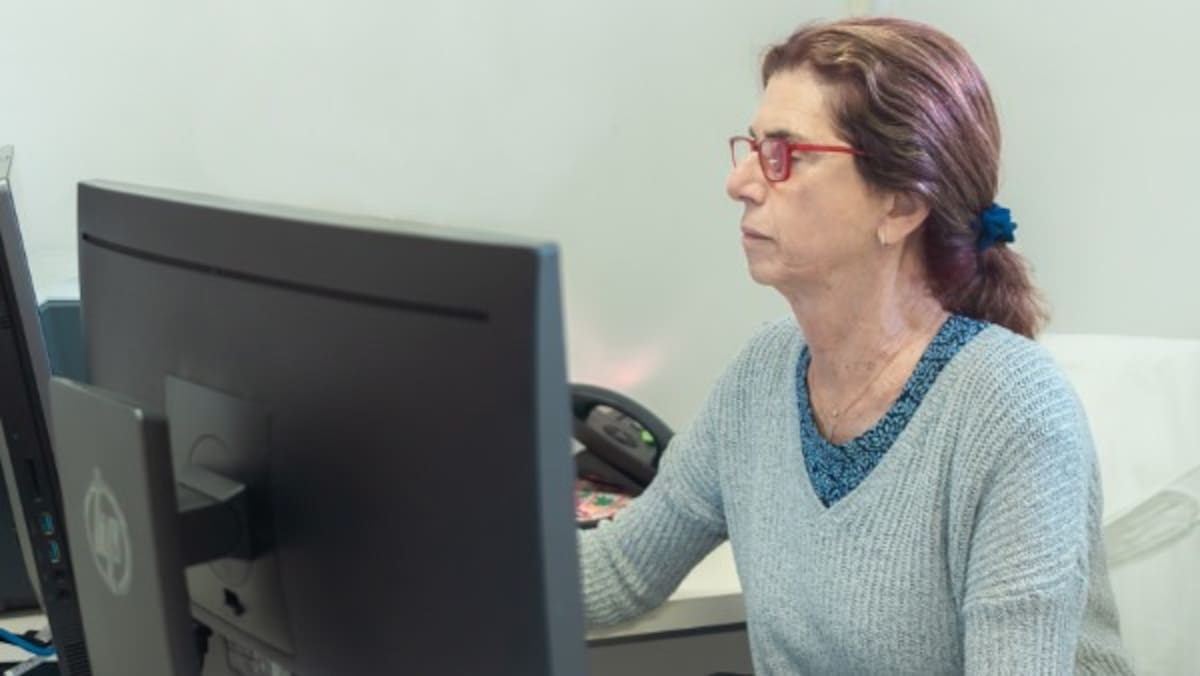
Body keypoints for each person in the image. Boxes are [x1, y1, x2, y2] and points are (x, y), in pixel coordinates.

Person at [578, 16, 1134, 675]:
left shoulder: (1012, 413)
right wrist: (441, 538)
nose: (742, 182)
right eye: (753, 147)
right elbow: (618, 572)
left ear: (900, 204)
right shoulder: (763, 375)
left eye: (786, 155)